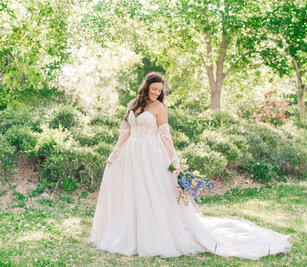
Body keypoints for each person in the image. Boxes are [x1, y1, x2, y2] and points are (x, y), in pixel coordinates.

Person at [88, 72, 292, 259]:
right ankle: (129, 234)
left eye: (160, 90)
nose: (157, 93)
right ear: (146, 86)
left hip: (152, 155)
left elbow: (165, 136)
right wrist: (114, 153)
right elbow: (125, 131)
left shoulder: (160, 108)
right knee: (131, 193)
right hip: (132, 154)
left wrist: (175, 163)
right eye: (154, 89)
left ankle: (154, 234)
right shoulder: (133, 104)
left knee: (153, 192)